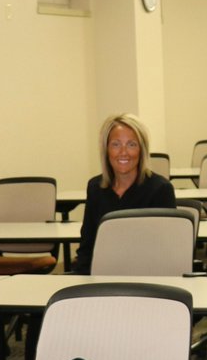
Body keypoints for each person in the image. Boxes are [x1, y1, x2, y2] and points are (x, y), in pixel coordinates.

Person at [73, 113, 176, 274]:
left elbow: (167, 252)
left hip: (147, 277)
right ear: (106, 149)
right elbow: (87, 246)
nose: (123, 152)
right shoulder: (95, 188)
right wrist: (81, 281)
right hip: (103, 276)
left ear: (141, 150)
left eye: (131, 145)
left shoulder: (160, 189)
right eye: (115, 144)